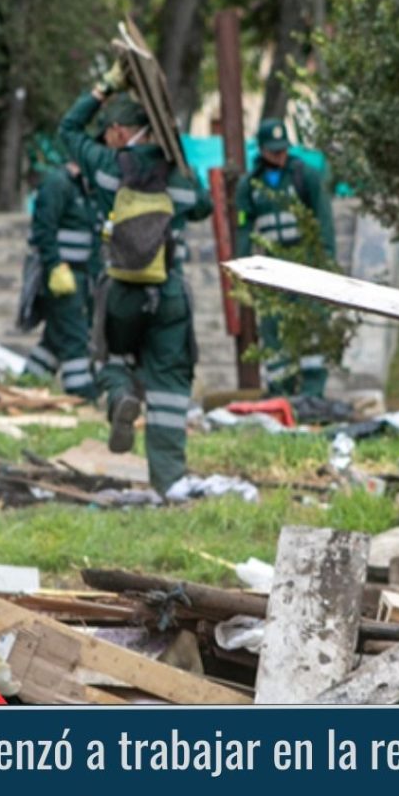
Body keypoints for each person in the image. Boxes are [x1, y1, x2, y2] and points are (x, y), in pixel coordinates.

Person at [58, 73, 212, 497]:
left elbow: (67, 130)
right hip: (169, 293)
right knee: (169, 383)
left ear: (121, 131)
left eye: (110, 132)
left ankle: (121, 397)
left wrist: (102, 88)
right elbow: (204, 207)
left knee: (110, 357)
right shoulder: (178, 175)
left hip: (121, 289)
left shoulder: (108, 168)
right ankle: (170, 482)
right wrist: (182, 160)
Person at [234, 118, 335, 397]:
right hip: (272, 267)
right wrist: (242, 270)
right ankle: (281, 392)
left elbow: (324, 223)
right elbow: (243, 229)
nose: (279, 156)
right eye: (273, 150)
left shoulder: (306, 176)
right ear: (262, 150)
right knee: (274, 331)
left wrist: (326, 265)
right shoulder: (250, 184)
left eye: (282, 149)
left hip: (305, 264)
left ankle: (313, 393)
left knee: (312, 329)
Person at [22, 160, 100, 399]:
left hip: (81, 275)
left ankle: (27, 383)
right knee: (74, 335)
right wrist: (54, 265)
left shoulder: (87, 189)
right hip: (62, 275)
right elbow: (43, 228)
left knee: (55, 339)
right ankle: (81, 392)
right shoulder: (58, 184)